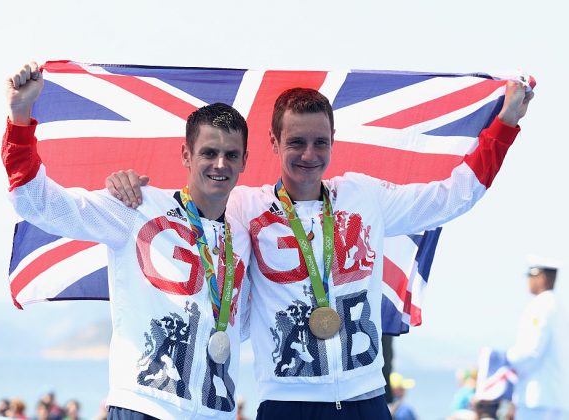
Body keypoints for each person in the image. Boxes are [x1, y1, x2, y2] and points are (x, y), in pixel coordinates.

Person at [109, 79, 532, 419]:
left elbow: (452, 196)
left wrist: (506, 124)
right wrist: (129, 186)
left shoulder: (364, 198)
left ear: (333, 141)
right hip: (286, 402)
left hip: (365, 396)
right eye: (296, 143)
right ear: (274, 144)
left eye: (320, 142)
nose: (309, 155)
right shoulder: (243, 206)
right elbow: (194, 202)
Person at [2, 62, 252, 420]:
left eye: (231, 154)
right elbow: (39, 204)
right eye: (209, 152)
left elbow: (243, 326)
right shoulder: (137, 207)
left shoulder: (243, 233)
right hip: (144, 407)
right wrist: (20, 116)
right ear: (186, 155)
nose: (220, 163)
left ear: (245, 160)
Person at [506, 258, 569, 419]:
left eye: (531, 275)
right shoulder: (557, 306)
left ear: (542, 278)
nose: (528, 280)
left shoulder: (541, 306)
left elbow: (531, 351)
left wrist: (504, 359)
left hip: (537, 398)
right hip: (554, 398)